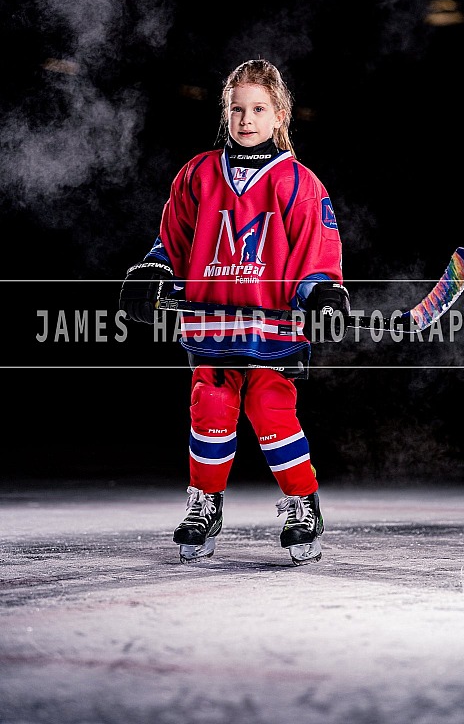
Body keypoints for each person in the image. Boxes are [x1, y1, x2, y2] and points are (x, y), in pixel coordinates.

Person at [119, 58, 350, 565]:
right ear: (227, 115)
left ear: (279, 116)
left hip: (272, 331)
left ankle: (302, 504)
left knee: (271, 412)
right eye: (237, 109)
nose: (247, 119)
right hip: (213, 329)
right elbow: (173, 241)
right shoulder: (198, 174)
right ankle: (204, 505)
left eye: (259, 108)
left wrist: (323, 292)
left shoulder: (299, 183)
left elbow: (317, 252)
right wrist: (152, 273)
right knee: (211, 410)